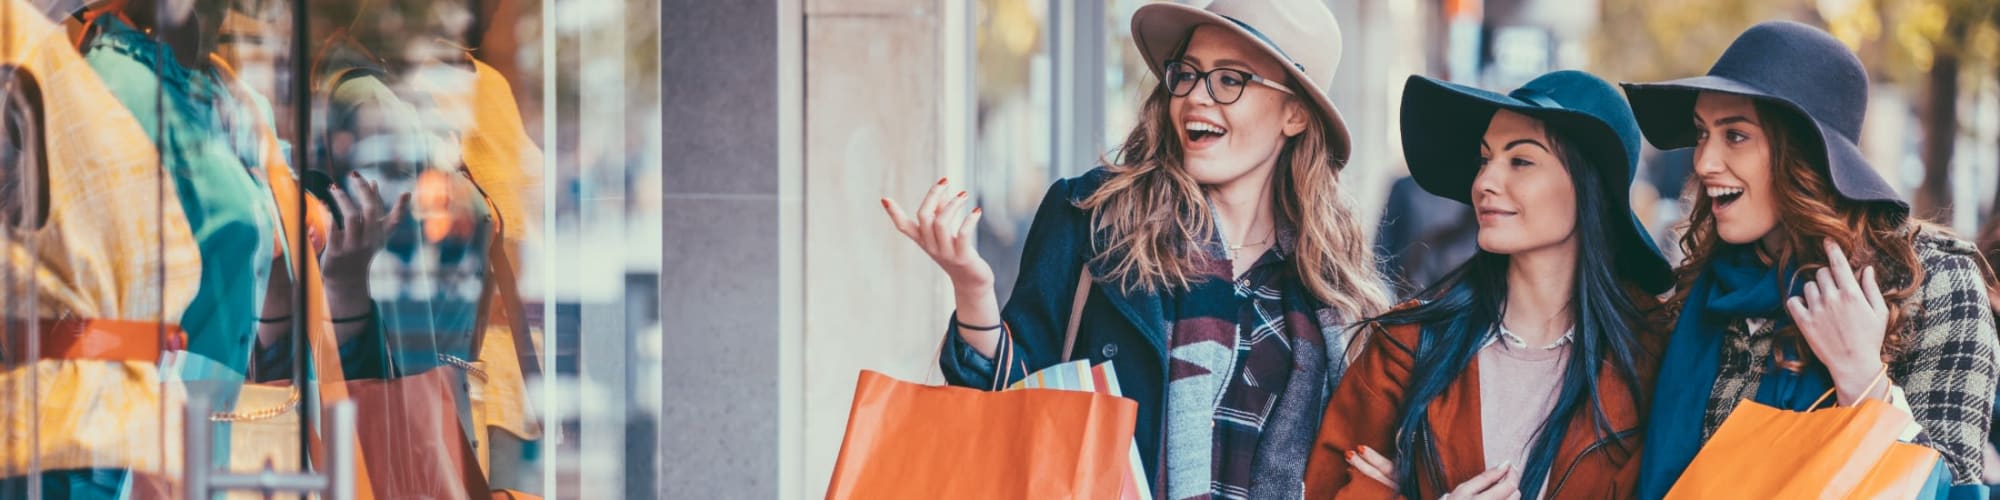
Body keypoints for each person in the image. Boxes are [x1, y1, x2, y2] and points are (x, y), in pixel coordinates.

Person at [881, 0, 1389, 497]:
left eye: (1230, 79)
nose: (1196, 97)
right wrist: (974, 289)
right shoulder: (1095, 217)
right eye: (1186, 74)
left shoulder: (1329, 292)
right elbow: (1008, 409)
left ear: (1295, 115)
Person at [1629, 21, 2000, 497]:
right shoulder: (1702, 288)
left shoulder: (1934, 282)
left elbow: (1954, 489)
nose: (1703, 163)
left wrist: (1865, 382)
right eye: (1703, 133)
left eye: (1735, 135)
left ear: (1806, 152)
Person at [1303, 70, 1676, 499]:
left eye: (1520, 160)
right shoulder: (1407, 343)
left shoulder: (1651, 354)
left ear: (1590, 185)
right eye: (1485, 159)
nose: (1485, 183)